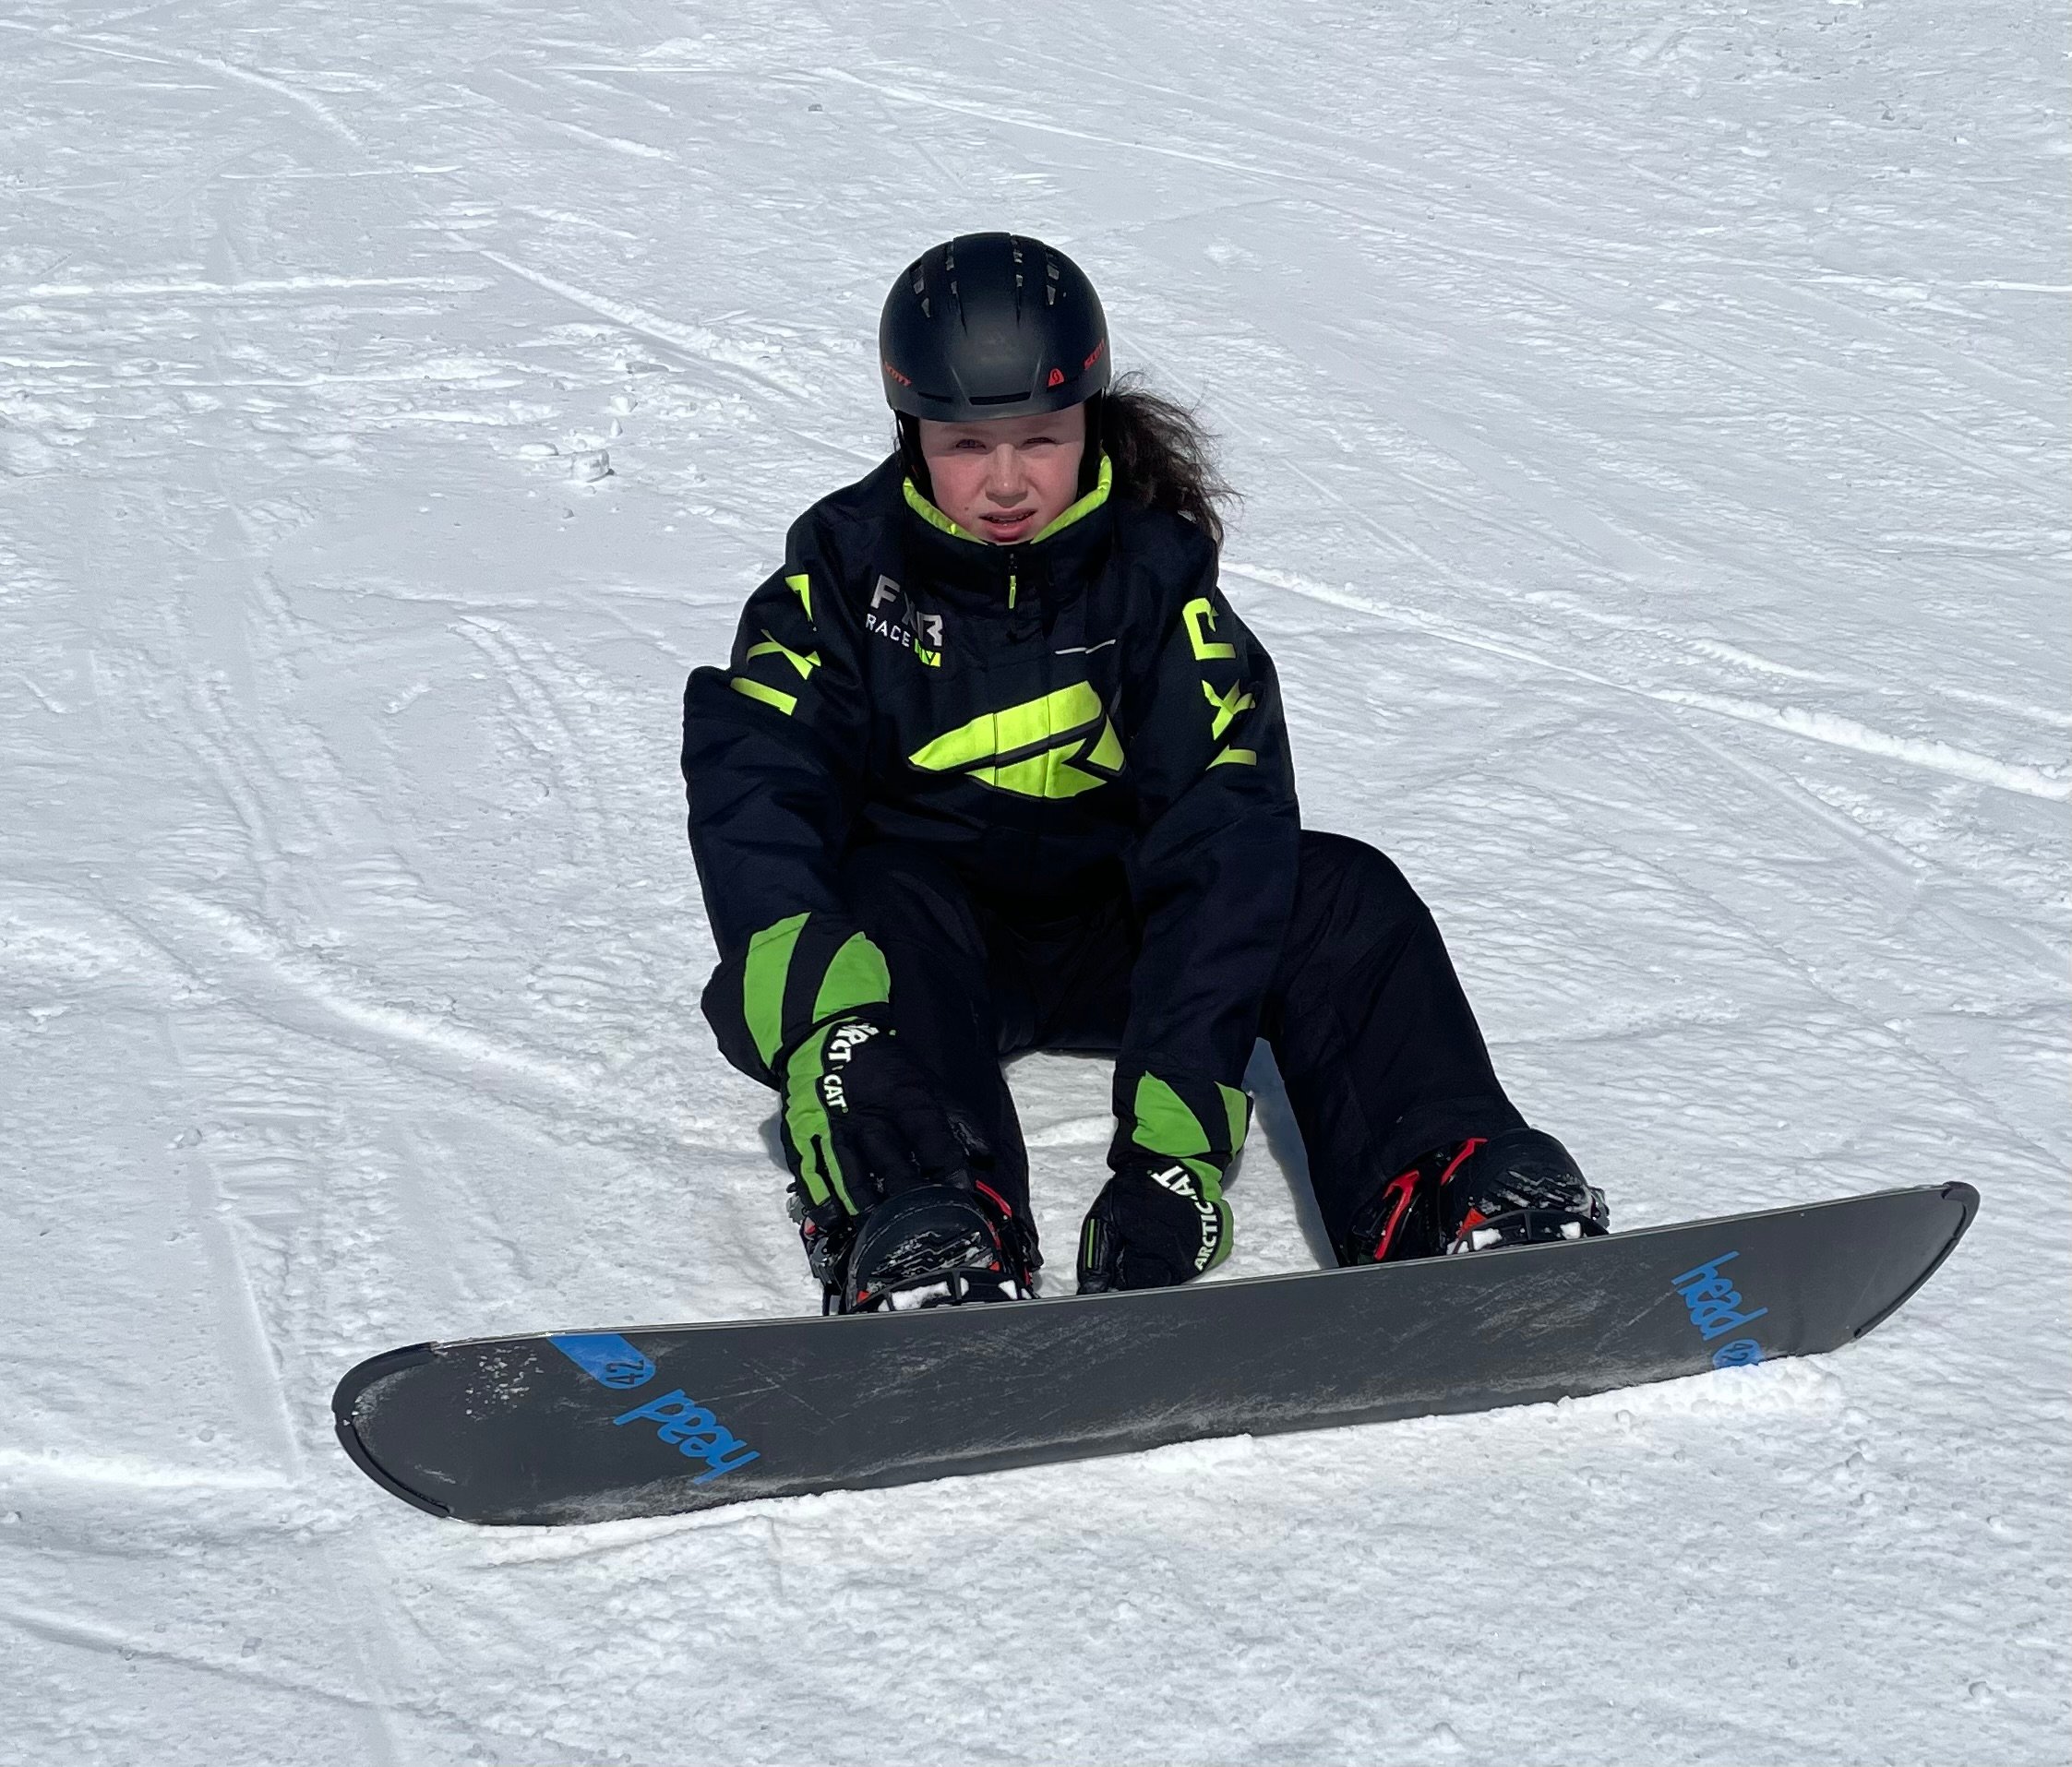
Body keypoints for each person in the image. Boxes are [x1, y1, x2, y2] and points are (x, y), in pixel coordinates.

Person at [681, 232, 1607, 1314]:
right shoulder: (841, 575)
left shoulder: (1158, 588)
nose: (1009, 482)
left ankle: (1444, 1184)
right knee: (872, 900)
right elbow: (755, 788)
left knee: (1341, 891)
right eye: (966, 445)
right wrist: (832, 1028)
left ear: (1091, 422)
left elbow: (1225, 842)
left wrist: (1172, 1162)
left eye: (1042, 437)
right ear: (911, 433)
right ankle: (928, 1220)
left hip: (1124, 928)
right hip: (933, 941)